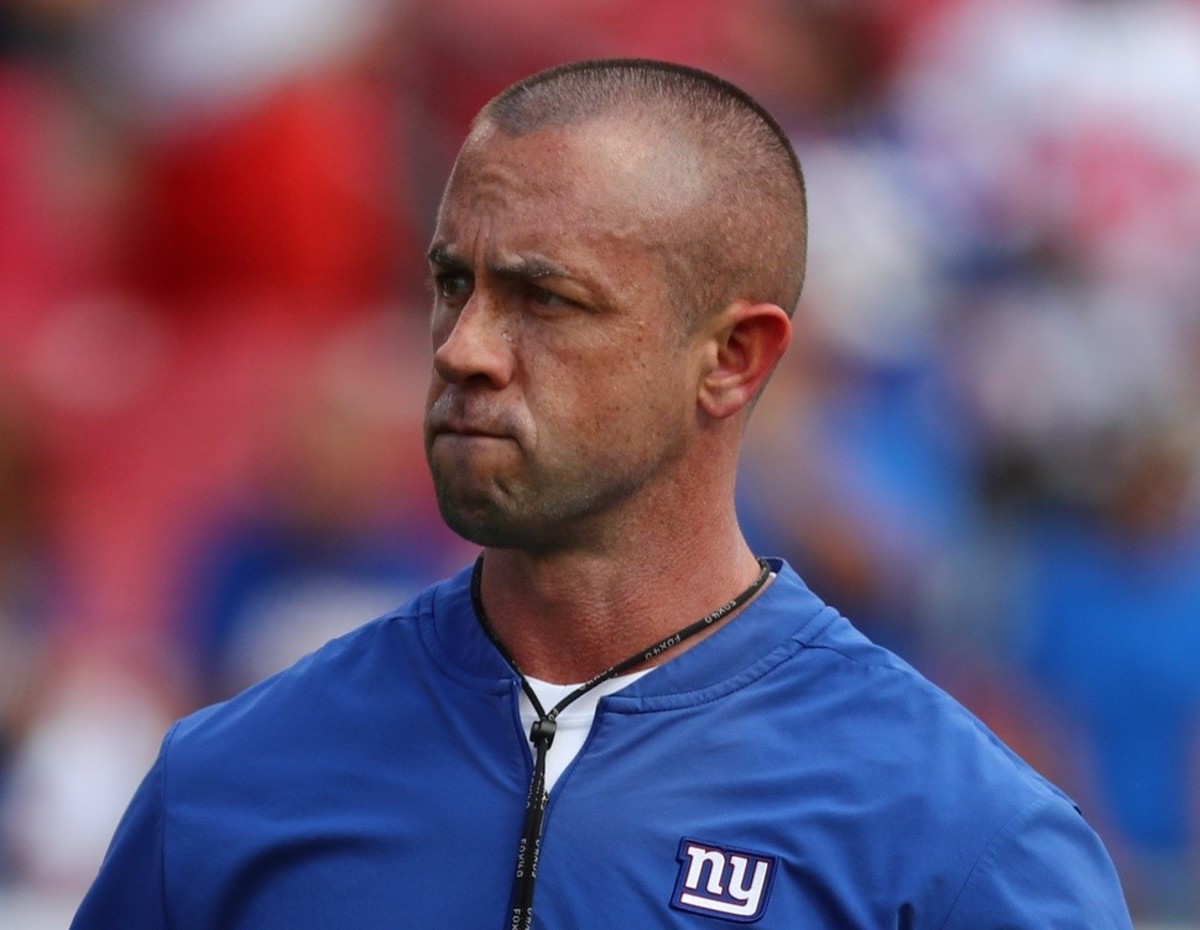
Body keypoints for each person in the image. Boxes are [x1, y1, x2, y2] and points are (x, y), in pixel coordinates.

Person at [71, 58, 1132, 929]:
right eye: (452, 286)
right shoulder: (230, 784)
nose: (466, 349)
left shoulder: (958, 840)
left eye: (547, 298)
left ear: (731, 358)